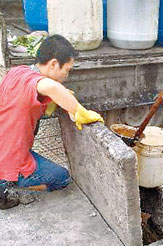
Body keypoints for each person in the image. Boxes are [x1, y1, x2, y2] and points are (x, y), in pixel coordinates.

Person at [0, 34, 103, 210]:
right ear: (54, 63)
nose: (67, 75)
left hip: (3, 144)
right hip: (10, 157)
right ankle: (6, 185)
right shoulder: (39, 82)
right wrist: (79, 112)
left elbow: (41, 93)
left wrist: (60, 99)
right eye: (67, 70)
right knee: (61, 178)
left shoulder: (18, 71)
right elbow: (50, 86)